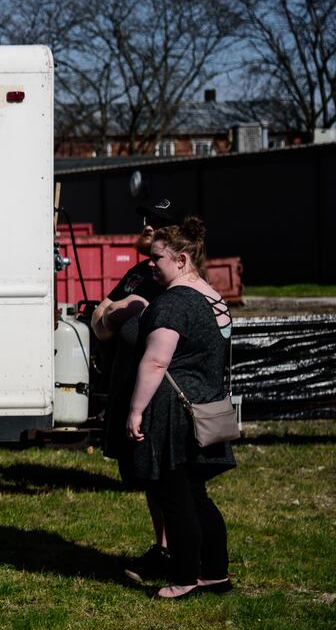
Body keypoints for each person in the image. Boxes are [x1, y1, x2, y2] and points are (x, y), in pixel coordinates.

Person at [124, 217, 235, 600]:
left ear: (182, 259)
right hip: (205, 407)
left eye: (157, 258)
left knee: (175, 496)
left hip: (173, 412)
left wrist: (136, 410)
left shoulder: (172, 303)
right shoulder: (213, 298)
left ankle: (186, 577)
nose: (150, 264)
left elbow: (156, 362)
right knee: (196, 493)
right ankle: (215, 573)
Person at [90, 197, 177, 585]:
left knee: (166, 478)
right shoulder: (140, 274)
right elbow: (98, 319)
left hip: (161, 397)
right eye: (144, 219)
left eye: (155, 223)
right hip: (131, 391)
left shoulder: (177, 284)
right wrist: (116, 311)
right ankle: (163, 548)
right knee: (147, 477)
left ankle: (176, 552)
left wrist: (117, 312)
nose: (145, 226)